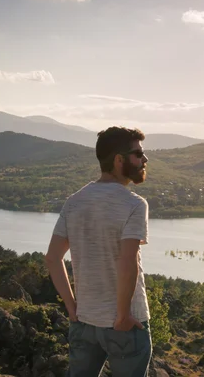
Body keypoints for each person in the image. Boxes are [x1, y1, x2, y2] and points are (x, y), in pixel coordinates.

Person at [45, 126, 152, 376]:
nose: (144, 159)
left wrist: (72, 309)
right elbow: (127, 262)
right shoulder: (134, 204)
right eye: (138, 153)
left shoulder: (74, 202)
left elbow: (52, 258)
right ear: (118, 160)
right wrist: (123, 317)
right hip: (124, 326)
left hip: (84, 323)